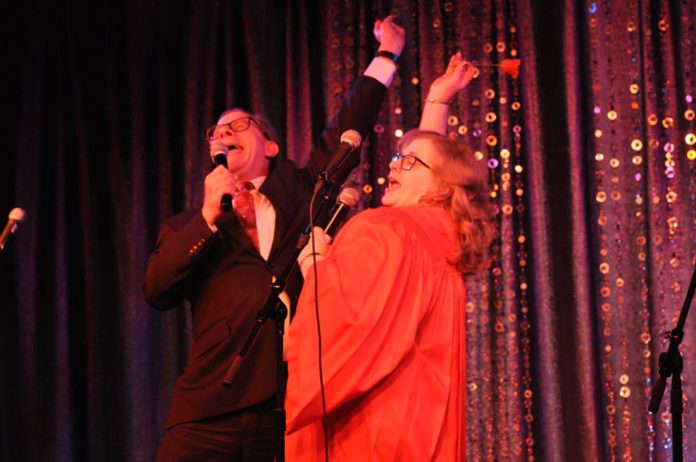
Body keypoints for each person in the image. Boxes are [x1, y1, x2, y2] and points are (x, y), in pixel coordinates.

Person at [143, 16, 406, 462]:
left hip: (287, 412)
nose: (225, 132)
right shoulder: (187, 225)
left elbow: (349, 128)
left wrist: (386, 56)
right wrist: (208, 217)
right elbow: (157, 289)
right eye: (217, 132)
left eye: (239, 125)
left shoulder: (302, 196)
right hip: (207, 411)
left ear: (271, 146)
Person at [284, 52, 492, 460]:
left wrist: (315, 263)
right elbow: (432, 163)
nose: (394, 166)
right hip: (421, 431)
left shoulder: (386, 228)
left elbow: (346, 328)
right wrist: (438, 100)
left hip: (367, 431)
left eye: (406, 161)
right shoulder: (443, 246)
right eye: (397, 157)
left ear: (441, 187)